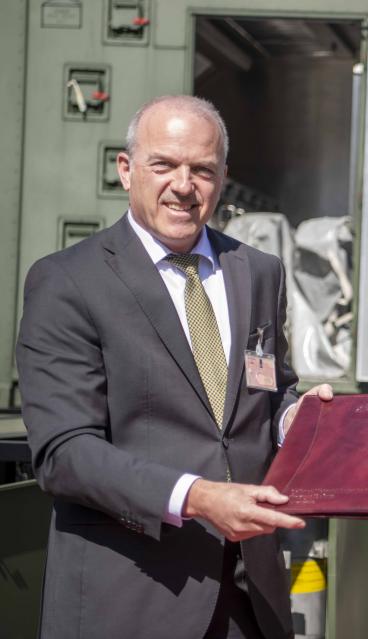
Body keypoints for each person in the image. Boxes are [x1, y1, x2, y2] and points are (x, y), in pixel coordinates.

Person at [17, 95, 332, 639]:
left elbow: (269, 389)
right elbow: (63, 453)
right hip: (132, 599)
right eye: (164, 164)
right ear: (126, 169)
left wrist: (293, 417)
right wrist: (197, 496)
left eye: (202, 170)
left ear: (222, 177)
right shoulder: (68, 281)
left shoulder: (258, 272)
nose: (183, 186)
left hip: (250, 598)